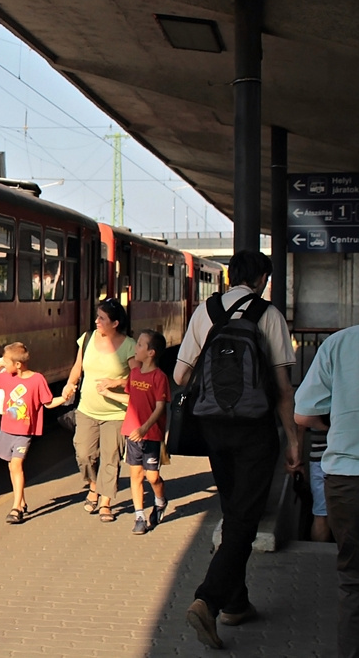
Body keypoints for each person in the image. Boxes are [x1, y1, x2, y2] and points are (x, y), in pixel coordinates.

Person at [174, 249, 300, 650]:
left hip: (212, 427)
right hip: (254, 430)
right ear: (262, 277)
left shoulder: (204, 311)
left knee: (234, 511)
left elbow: (180, 374)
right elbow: (283, 389)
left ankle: (236, 602)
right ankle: (207, 599)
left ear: (230, 277)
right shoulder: (269, 315)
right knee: (245, 520)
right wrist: (293, 441)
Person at [294, 323, 359, 658]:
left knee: (353, 583)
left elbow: (303, 415)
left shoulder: (339, 344)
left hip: (348, 481)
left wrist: (332, 422)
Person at [62, 297, 136, 524]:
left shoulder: (129, 346)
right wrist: (69, 384)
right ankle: (93, 486)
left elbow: (137, 380)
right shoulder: (87, 339)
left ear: (114, 323)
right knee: (84, 453)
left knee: (110, 458)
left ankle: (105, 502)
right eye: (97, 317)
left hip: (116, 413)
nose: (96, 321)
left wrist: (116, 382)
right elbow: (78, 366)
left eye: (102, 318)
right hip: (87, 409)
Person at [0, 342, 66, 524]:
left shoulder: (37, 380)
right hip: (7, 430)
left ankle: (16, 508)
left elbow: (48, 402)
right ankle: (21, 500)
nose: (4, 364)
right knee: (12, 467)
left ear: (18, 364)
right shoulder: (6, 377)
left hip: (24, 432)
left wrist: (65, 398)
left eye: (7, 361)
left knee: (17, 465)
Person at [97, 329, 170, 535]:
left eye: (140, 345)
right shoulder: (135, 374)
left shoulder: (159, 377)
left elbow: (160, 407)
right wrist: (109, 394)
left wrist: (145, 427)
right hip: (132, 432)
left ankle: (160, 501)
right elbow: (131, 400)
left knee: (153, 477)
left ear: (151, 353)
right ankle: (140, 516)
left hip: (151, 434)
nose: (135, 348)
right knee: (136, 475)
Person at [307, 428, 334, 543]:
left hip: (321, 458)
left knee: (321, 514)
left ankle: (317, 557)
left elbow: (303, 419)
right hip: (353, 459)